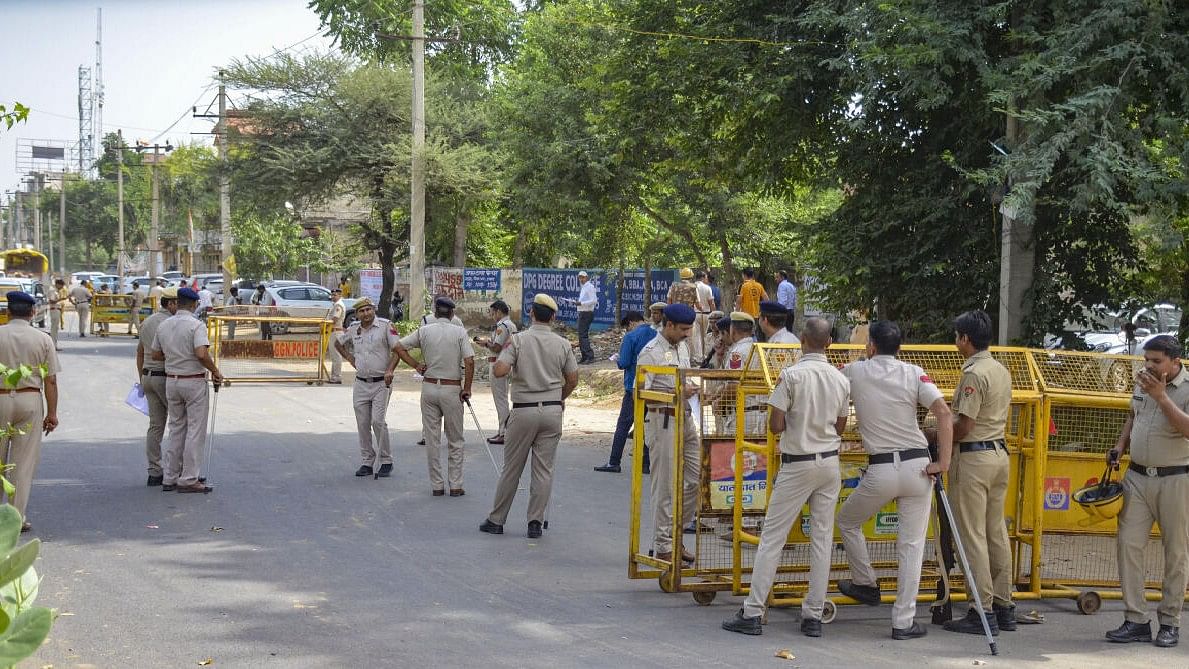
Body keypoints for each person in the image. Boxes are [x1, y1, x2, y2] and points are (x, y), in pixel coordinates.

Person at [722, 318, 849, 638]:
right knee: (822, 540)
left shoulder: (791, 376)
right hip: (829, 464)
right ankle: (813, 615)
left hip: (797, 463)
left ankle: (752, 611)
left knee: (772, 538)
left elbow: (776, 425)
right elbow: (841, 426)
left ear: (802, 341)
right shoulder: (840, 378)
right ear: (829, 343)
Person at [835, 320, 953, 640]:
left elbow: (828, 378)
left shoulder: (855, 371)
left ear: (871, 346)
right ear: (899, 347)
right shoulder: (914, 372)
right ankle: (903, 622)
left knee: (847, 521)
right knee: (911, 546)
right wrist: (943, 462)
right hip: (919, 467)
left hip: (882, 469)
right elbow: (943, 411)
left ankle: (866, 583)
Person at [1105, 334, 1189, 648]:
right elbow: (1133, 415)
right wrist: (1119, 445)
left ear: (1175, 360)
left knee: (1176, 552)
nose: (1149, 366)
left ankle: (1170, 622)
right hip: (1136, 477)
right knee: (1128, 544)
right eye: (1147, 360)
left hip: (1176, 478)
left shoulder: (1185, 388)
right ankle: (1135, 619)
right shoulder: (1142, 382)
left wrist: (1162, 396)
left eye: (1156, 361)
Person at [481, 293, 578, 537]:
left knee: (512, 467)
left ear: (531, 314)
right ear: (553, 317)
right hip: (553, 411)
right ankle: (535, 522)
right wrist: (560, 397)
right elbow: (573, 378)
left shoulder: (518, 340)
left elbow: (501, 370)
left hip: (524, 410)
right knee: (543, 469)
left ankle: (496, 520)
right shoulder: (563, 344)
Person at [944, 310, 1015, 635]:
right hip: (998, 454)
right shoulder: (999, 368)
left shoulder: (973, 374)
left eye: (957, 336)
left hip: (974, 458)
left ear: (965, 340)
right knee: (995, 532)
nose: (956, 340)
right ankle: (1003, 605)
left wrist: (935, 433)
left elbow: (964, 425)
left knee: (972, 535)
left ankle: (981, 609)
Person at [635, 303, 699, 563]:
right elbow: (640, 395)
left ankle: (676, 534)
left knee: (696, 479)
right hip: (663, 420)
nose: (687, 334)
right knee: (665, 486)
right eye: (683, 329)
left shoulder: (682, 347)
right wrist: (675, 394)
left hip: (686, 418)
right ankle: (664, 544)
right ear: (669, 325)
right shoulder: (650, 353)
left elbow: (683, 378)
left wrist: (691, 387)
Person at [393, 296, 475, 496]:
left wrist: (417, 366)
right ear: (452, 314)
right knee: (455, 439)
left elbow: (398, 346)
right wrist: (467, 388)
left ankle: (437, 485)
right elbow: (470, 361)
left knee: (432, 439)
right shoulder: (459, 332)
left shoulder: (424, 330)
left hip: (429, 387)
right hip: (451, 388)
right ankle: (455, 484)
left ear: (435, 313)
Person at [150, 287, 222, 494]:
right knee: (195, 430)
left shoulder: (164, 325)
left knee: (176, 428)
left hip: (172, 381)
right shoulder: (195, 325)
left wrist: (175, 357)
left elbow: (156, 354)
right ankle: (189, 478)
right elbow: (201, 353)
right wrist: (215, 370)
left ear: (177, 302)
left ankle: (170, 477)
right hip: (193, 381)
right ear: (193, 304)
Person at [0, 291, 60, 532]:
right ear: (33, 312)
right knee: (22, 463)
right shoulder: (42, 339)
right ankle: (16, 518)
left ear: (8, 312)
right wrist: (52, 414)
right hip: (29, 399)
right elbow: (51, 381)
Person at [334, 298, 399, 478]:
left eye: (368, 310)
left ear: (374, 310)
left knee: (378, 421)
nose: (366, 314)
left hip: (381, 383)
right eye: (362, 311)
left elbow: (398, 350)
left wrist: (390, 370)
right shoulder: (354, 328)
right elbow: (338, 343)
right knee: (362, 424)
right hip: (361, 383)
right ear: (357, 314)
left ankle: (386, 460)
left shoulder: (386, 326)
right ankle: (367, 462)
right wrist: (349, 358)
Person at [595, 310, 655, 474]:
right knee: (647, 425)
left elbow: (624, 362)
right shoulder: (656, 334)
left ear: (630, 323)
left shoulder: (630, 337)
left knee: (623, 425)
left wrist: (617, 359)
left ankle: (614, 461)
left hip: (633, 387)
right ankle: (646, 463)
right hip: (653, 387)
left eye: (626, 327)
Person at [136, 288, 179, 487]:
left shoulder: (147, 322)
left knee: (155, 426)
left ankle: (154, 471)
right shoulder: (170, 324)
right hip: (165, 377)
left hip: (148, 377)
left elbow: (140, 353)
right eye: (178, 304)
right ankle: (175, 471)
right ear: (170, 304)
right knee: (178, 424)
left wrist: (142, 379)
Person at [476, 300, 517, 445]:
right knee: (502, 399)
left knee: (500, 400)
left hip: (498, 363)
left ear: (499, 311)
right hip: (506, 362)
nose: (492, 316)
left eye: (493, 313)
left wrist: (486, 343)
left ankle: (504, 432)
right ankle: (504, 431)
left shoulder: (503, 326)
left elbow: (497, 347)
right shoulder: (510, 325)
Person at [668, 268, 702, 362]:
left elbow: (669, 301)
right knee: (690, 339)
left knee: (673, 338)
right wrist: (702, 309)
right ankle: (689, 359)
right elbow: (698, 305)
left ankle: (673, 359)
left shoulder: (674, 286)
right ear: (691, 277)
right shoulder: (694, 287)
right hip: (688, 318)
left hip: (674, 317)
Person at [575, 270, 598, 364]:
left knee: (583, 335)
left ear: (587, 277)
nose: (581, 279)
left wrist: (581, 303)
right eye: (580, 277)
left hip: (587, 313)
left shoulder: (590, 287)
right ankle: (584, 356)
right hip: (583, 312)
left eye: (583, 277)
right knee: (581, 335)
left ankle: (589, 356)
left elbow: (594, 300)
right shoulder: (584, 287)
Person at [326, 288, 346, 384]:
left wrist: (325, 324)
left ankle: (337, 377)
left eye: (335, 295)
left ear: (339, 295)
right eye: (332, 295)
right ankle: (334, 377)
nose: (333, 296)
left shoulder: (338, 305)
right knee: (334, 356)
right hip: (333, 332)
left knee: (336, 356)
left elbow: (334, 319)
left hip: (336, 332)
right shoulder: (335, 304)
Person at [48, 278, 67, 350]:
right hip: (54, 309)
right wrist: (61, 299)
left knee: (55, 328)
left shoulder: (56, 291)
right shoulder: (52, 290)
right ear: (57, 284)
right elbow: (52, 301)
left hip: (57, 310)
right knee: (54, 329)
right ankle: (53, 346)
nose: (62, 288)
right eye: (61, 286)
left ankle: (54, 345)